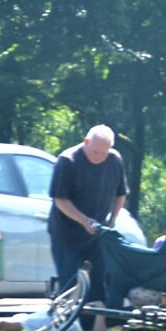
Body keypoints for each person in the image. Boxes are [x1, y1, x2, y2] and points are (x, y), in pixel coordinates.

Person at [48, 124, 130, 306]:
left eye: (103, 153)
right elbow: (60, 201)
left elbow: (121, 194)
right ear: (85, 142)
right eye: (95, 152)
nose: (99, 157)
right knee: (68, 281)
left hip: (96, 233)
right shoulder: (67, 161)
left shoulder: (114, 160)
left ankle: (96, 326)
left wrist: (112, 219)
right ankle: (67, 323)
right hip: (66, 233)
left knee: (100, 279)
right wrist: (84, 221)